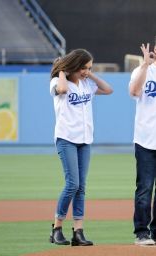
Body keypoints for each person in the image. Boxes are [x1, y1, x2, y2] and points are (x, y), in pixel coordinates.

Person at [49, 48, 113, 246]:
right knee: (72, 184)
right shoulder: (57, 82)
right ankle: (56, 229)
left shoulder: (87, 84)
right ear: (74, 66)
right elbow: (62, 90)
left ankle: (78, 232)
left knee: (81, 187)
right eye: (84, 67)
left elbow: (108, 89)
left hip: (85, 140)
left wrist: (90, 74)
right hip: (66, 139)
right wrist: (61, 69)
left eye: (89, 67)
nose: (86, 71)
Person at [129, 37, 156, 246]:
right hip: (146, 139)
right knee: (145, 188)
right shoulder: (142, 71)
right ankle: (141, 232)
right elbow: (134, 92)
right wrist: (145, 65)